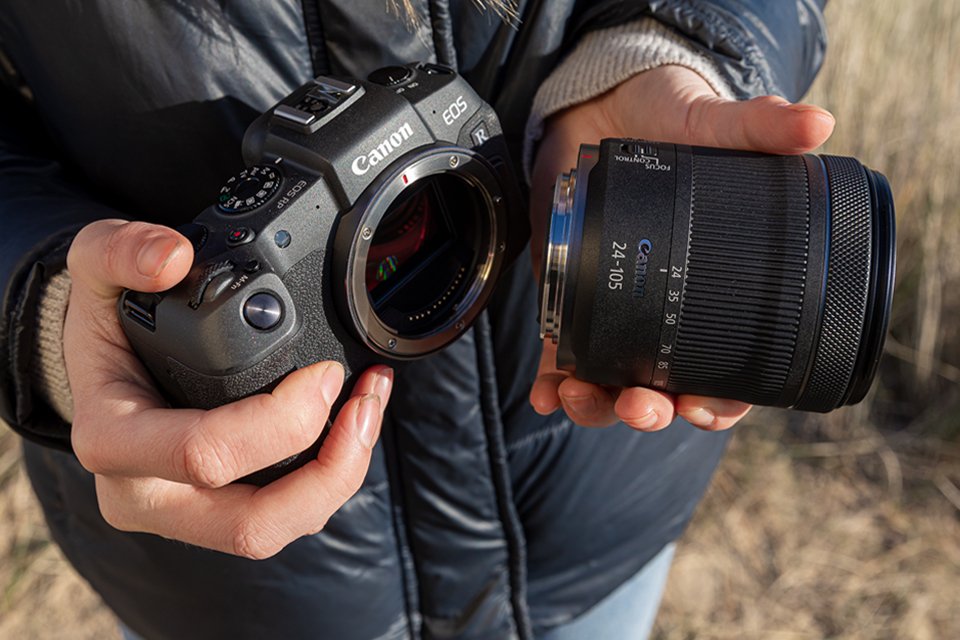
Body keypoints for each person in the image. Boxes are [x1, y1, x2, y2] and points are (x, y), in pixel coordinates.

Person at [0, 1, 832, 638]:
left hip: (592, 509)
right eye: (393, 248)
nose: (395, 250)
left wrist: (654, 56)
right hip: (223, 584)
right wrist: (61, 318)